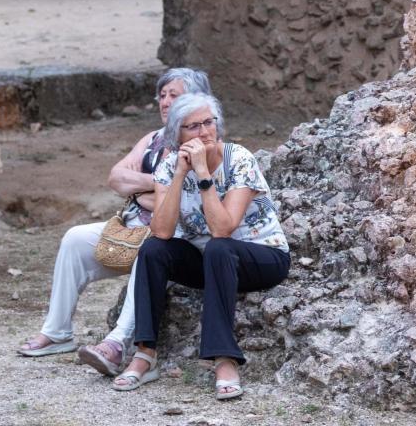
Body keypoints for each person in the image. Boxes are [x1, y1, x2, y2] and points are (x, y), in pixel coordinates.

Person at [16, 67, 211, 373]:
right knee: (75, 239)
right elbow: (117, 178)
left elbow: (184, 201)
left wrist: (148, 188)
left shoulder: (204, 145)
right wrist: (161, 182)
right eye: (162, 95)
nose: (165, 102)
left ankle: (116, 344)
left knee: (150, 253)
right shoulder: (153, 139)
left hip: (174, 241)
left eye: (175, 95)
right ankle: (57, 333)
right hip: (132, 228)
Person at [110, 92, 290, 401]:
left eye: (208, 122)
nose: (204, 132)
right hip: (210, 260)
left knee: (220, 246)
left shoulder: (239, 158)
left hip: (261, 255)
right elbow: (163, 230)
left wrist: (204, 174)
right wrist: (180, 173)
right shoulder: (169, 166)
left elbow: (224, 227)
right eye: (192, 127)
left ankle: (224, 359)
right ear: (177, 135)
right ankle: (145, 353)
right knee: (153, 250)